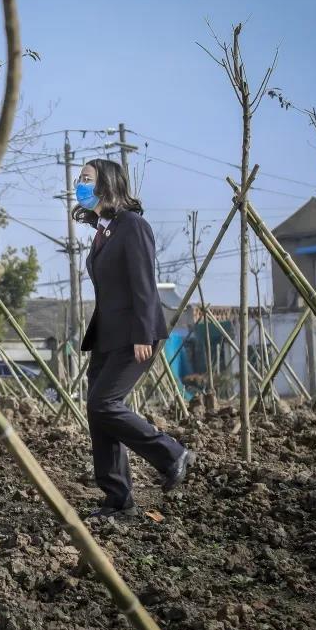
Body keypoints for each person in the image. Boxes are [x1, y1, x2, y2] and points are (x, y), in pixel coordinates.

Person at [73, 158, 194, 520]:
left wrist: (144, 331)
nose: (79, 183)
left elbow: (143, 280)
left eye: (86, 178)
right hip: (107, 336)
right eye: (79, 178)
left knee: (105, 404)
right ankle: (118, 500)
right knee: (98, 413)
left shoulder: (133, 226)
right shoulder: (104, 230)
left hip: (134, 335)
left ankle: (172, 454)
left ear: (108, 184)